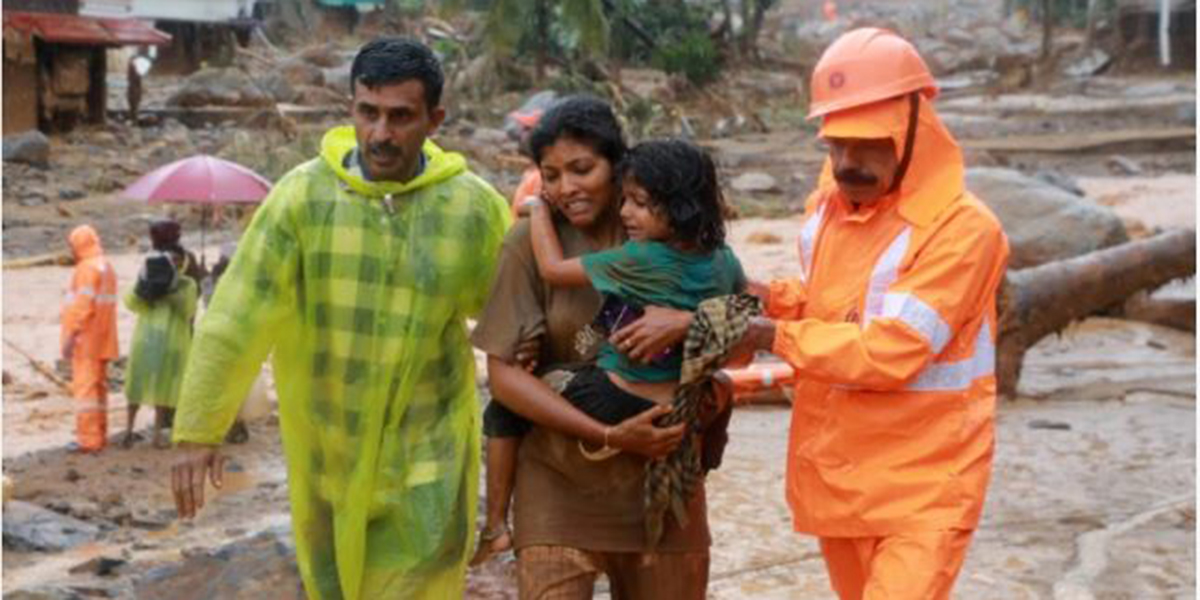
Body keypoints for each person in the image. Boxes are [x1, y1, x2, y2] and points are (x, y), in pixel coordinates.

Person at [167, 37, 511, 600]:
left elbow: (518, 314)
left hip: (430, 456)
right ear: (350, 109)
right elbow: (237, 315)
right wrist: (198, 429)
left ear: (434, 119)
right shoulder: (302, 198)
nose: (380, 133)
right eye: (367, 113)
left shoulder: (470, 209)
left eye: (400, 117)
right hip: (328, 455)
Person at [729, 28, 1011, 599]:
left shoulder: (963, 230)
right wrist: (768, 297)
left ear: (912, 128)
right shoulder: (831, 204)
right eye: (835, 145)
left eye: (865, 145)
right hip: (841, 472)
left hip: (925, 486)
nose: (845, 163)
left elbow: (893, 349)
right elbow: (834, 301)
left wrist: (770, 333)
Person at [471, 96, 713, 599]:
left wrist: (688, 324)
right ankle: (497, 525)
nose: (566, 189)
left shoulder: (674, 239)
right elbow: (504, 378)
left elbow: (745, 332)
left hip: (662, 488)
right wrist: (606, 432)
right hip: (557, 482)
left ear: (619, 165)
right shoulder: (528, 244)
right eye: (551, 175)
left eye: (582, 169)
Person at [123, 243, 199, 449]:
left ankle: (157, 435)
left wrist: (170, 290)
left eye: (179, 261)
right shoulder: (151, 278)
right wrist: (145, 283)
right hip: (147, 339)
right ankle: (128, 430)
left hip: (173, 344)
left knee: (165, 389)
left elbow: (188, 310)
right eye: (171, 260)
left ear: (184, 263)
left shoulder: (187, 285)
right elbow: (131, 302)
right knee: (136, 386)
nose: (175, 264)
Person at [60, 225, 119, 453]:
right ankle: (100, 435)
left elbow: (82, 308)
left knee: (85, 392)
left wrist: (70, 338)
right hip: (104, 338)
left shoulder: (86, 269)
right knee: (99, 390)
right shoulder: (106, 266)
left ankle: (88, 439)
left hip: (86, 340)